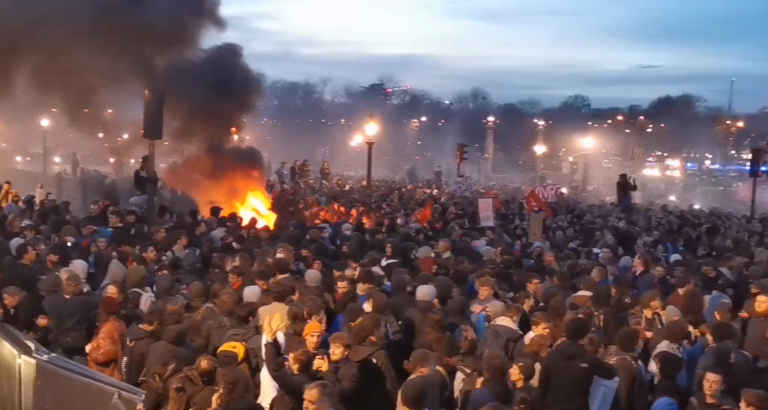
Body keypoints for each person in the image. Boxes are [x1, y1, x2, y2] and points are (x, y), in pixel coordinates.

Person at [537, 317, 617, 410]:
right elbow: (611, 373)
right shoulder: (589, 359)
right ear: (585, 336)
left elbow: (542, 386)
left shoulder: (552, 355)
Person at [87, 296, 127, 380]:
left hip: (104, 375)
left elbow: (104, 355)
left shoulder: (109, 329)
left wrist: (90, 350)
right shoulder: (120, 323)